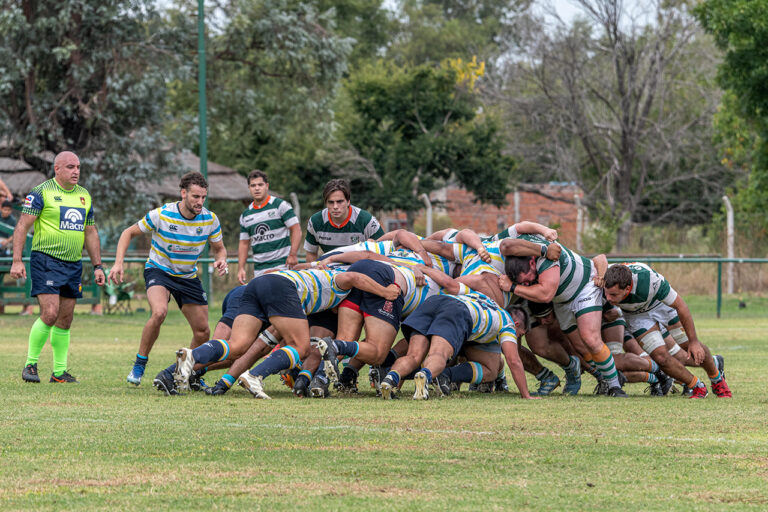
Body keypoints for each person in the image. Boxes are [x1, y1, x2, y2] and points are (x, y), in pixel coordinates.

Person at [108, 171, 228, 386]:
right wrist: (118, 263)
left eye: (203, 197)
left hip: (187, 276)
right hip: (159, 270)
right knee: (160, 312)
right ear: (183, 193)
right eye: (195, 197)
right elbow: (128, 233)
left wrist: (221, 260)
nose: (200, 202)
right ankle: (140, 363)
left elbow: (219, 249)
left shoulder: (210, 219)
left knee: (203, 331)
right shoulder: (162, 214)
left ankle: (187, 373)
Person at [13, 151, 106, 383]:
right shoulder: (41, 192)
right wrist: (17, 260)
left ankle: (59, 372)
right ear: (57, 169)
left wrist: (98, 266)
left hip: (73, 263)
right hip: (46, 260)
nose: (76, 171)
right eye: (70, 167)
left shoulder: (84, 195)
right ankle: (30, 365)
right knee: (50, 312)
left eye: (78, 167)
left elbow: (90, 231)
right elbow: (22, 226)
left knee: (65, 318)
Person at [602, 262, 731, 398]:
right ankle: (697, 386)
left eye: (613, 295)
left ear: (627, 288)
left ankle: (716, 379)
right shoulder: (604, 277)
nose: (608, 298)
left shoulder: (650, 281)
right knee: (660, 357)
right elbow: (599, 260)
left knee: (687, 345)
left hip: (660, 305)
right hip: (636, 315)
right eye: (607, 293)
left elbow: (681, 306)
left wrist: (694, 341)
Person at [237, 170, 301, 284]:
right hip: (259, 270)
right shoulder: (245, 215)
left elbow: (296, 230)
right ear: (249, 188)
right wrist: (241, 268)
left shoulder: (280, 205)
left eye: (260, 185)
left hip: (283, 266)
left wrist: (293, 254)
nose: (257, 188)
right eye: (253, 185)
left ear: (266, 186)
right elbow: (244, 243)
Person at [304, 179, 384, 262]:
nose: (335, 206)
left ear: (348, 201)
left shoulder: (366, 220)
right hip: (330, 269)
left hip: (360, 269)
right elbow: (311, 253)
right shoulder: (315, 221)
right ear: (325, 203)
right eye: (331, 202)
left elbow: (385, 248)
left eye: (340, 202)